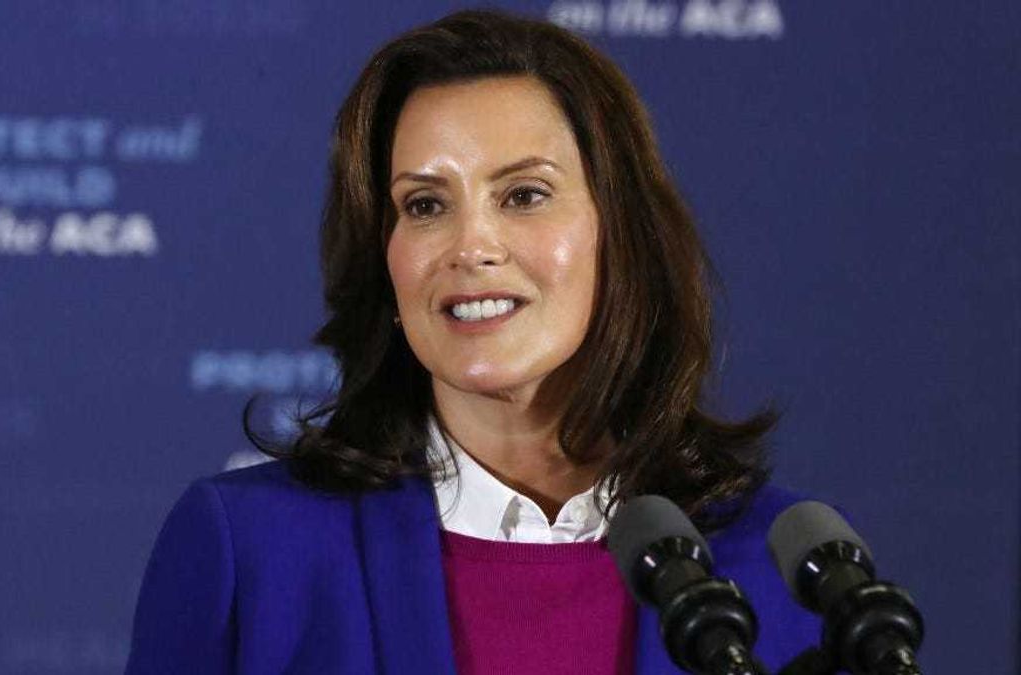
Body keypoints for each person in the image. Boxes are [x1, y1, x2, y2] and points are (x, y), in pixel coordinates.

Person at [125, 9, 819, 674]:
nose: (472, 246)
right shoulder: (251, 552)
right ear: (384, 258)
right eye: (425, 205)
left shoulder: (786, 562)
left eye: (523, 194)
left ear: (621, 234)